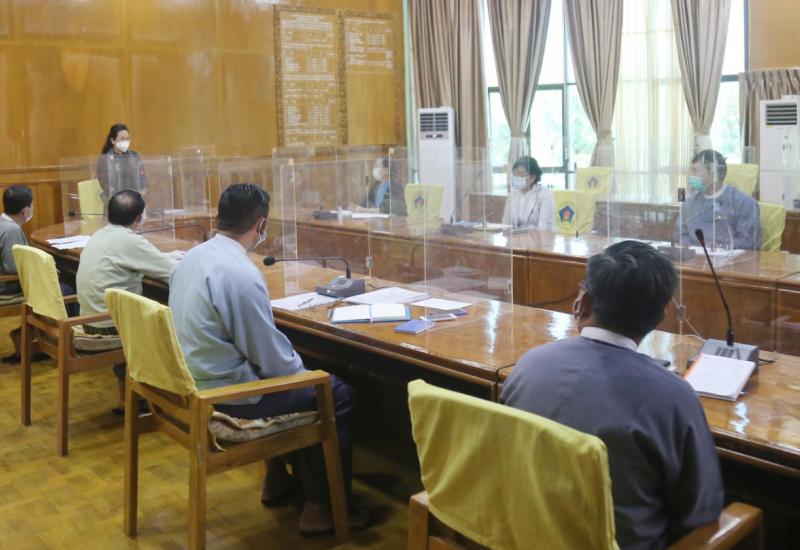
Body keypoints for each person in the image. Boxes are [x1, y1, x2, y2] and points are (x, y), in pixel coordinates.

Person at [169, 183, 368, 534]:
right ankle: (321, 509)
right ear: (261, 225)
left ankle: (276, 480)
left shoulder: (192, 258)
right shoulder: (239, 273)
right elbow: (273, 361)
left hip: (195, 382)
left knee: (297, 381)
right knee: (334, 392)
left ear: (218, 217)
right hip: (227, 398)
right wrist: (307, 376)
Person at [501, 241, 723, 549]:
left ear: (582, 302)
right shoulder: (674, 397)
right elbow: (699, 511)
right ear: (660, 316)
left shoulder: (529, 364)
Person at [76, 190, 178, 409]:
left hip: (89, 319)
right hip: (111, 326)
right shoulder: (130, 241)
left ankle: (135, 397)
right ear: (139, 217)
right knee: (172, 324)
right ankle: (161, 399)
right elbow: (173, 271)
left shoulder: (100, 235)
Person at [0, 185, 77, 363]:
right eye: (32, 205)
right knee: (68, 289)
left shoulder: (3, 223)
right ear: (25, 210)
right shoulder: (11, 230)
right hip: (8, 287)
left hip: (9, 282)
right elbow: (13, 267)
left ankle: (29, 335)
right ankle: (62, 343)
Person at [674, 149, 760, 250]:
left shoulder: (744, 203)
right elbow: (680, 234)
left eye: (695, 171)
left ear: (713, 173)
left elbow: (747, 242)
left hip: (729, 258)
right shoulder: (689, 203)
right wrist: (690, 248)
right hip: (694, 258)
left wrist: (718, 249)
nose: (691, 176)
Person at [96, 123, 147, 202]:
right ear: (113, 140)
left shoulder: (134, 156)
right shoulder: (104, 159)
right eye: (122, 139)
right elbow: (105, 184)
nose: (125, 141)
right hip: (115, 201)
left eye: (127, 139)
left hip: (134, 199)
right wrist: (120, 198)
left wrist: (143, 189)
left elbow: (142, 176)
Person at [501, 156, 555, 230]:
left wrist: (523, 236)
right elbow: (506, 223)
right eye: (514, 174)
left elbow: (544, 228)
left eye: (519, 174)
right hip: (516, 236)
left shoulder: (545, 195)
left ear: (532, 178)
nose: (515, 177)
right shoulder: (513, 193)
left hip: (538, 236)